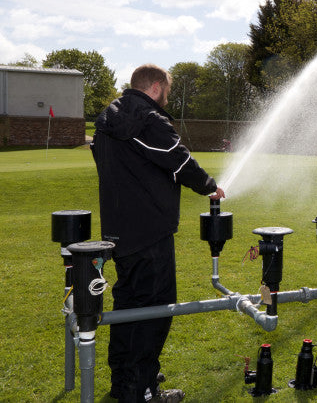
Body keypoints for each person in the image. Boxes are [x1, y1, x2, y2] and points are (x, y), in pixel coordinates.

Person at [91, 64, 225, 402]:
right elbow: (177, 160)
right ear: (155, 87)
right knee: (154, 309)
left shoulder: (108, 118)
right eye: (167, 89)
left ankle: (127, 379)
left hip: (119, 232)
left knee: (128, 306)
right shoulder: (149, 118)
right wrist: (210, 186)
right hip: (150, 232)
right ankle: (144, 389)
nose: (167, 96)